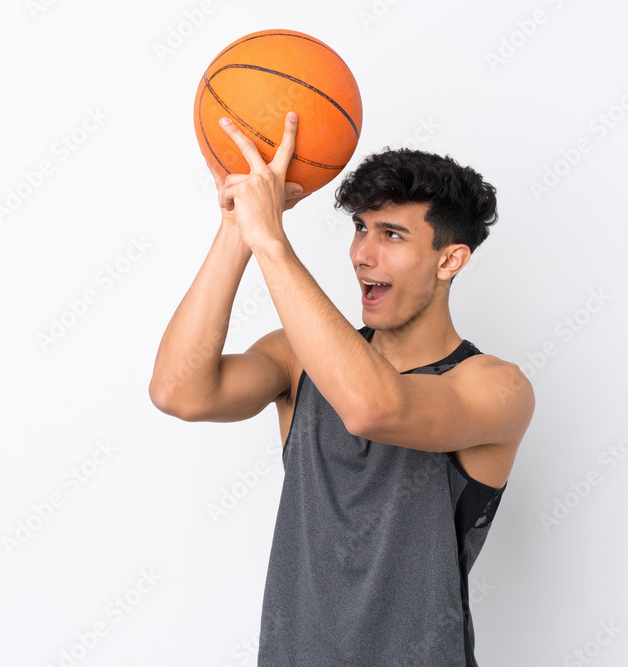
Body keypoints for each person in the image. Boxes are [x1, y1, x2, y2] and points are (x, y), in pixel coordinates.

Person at [149, 112, 535, 666]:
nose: (362, 253)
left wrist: (273, 243)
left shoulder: (496, 387)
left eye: (392, 235)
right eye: (360, 228)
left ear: (450, 260)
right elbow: (177, 391)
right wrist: (239, 227)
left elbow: (374, 408)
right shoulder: (296, 358)